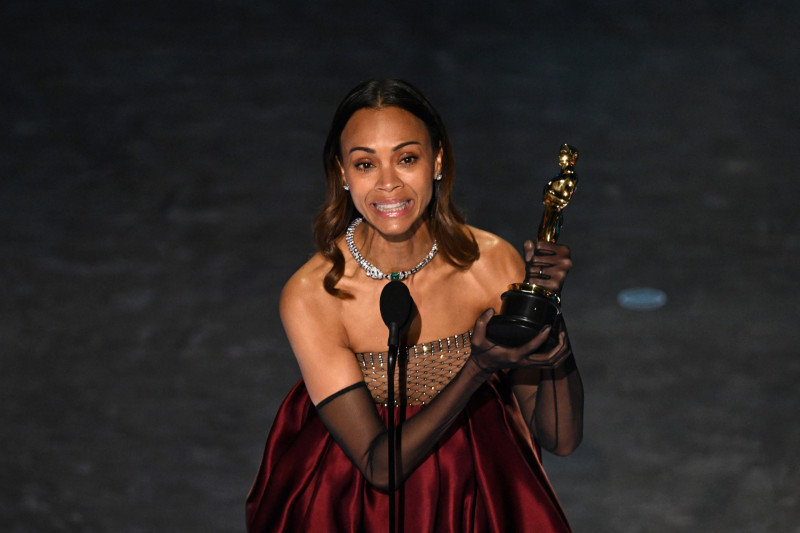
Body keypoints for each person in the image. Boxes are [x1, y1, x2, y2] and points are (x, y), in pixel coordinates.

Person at [246, 79, 584, 532]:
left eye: (407, 158)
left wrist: (547, 314)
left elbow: (559, 439)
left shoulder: (490, 264)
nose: (388, 184)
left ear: (437, 160)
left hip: (476, 500)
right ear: (342, 173)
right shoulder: (314, 294)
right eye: (365, 164)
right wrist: (476, 370)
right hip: (354, 510)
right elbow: (379, 467)